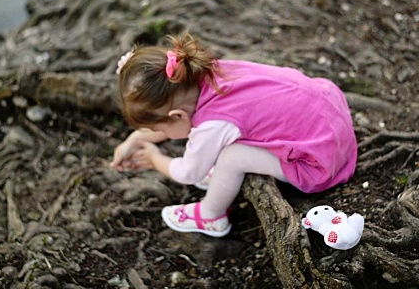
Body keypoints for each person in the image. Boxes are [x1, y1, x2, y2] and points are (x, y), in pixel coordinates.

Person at [110, 32, 357, 237]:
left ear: (177, 115)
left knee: (232, 156)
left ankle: (210, 215)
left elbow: (188, 172)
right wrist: (136, 138)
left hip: (319, 162)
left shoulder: (212, 125)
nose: (156, 134)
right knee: (238, 136)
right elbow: (179, 124)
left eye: (157, 129)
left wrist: (153, 158)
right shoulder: (209, 73)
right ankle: (218, 179)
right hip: (330, 117)